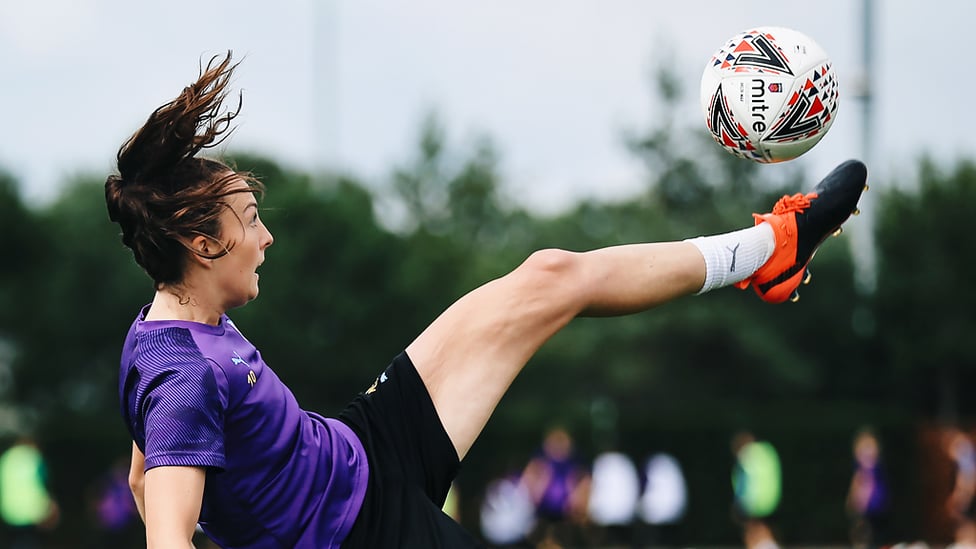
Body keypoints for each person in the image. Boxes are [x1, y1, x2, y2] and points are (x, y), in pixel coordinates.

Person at [105, 52, 868, 548]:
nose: (265, 237)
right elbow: (165, 528)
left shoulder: (165, 334)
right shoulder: (184, 378)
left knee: (548, 276)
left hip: (364, 443)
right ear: (203, 246)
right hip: (367, 533)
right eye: (250, 222)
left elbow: (147, 478)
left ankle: (773, 247)